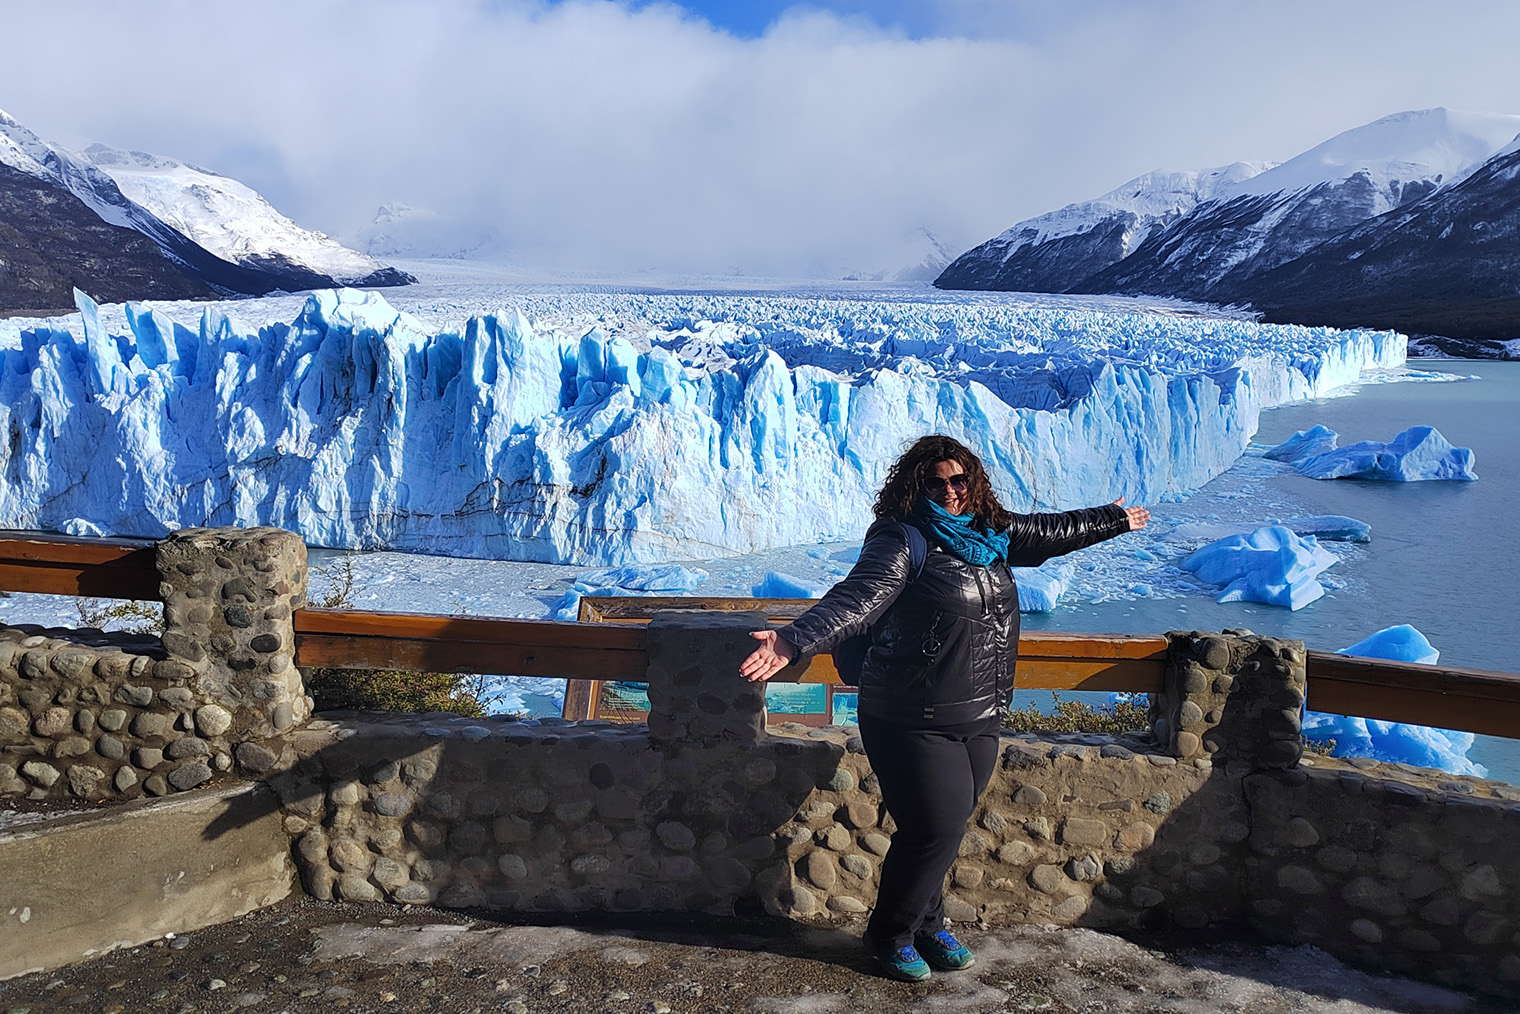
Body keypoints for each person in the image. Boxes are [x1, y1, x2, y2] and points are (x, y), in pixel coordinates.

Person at [738, 434, 1148, 982]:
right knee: (936, 827)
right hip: (910, 714)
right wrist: (795, 639)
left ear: (973, 482)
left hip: (979, 715)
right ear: (917, 486)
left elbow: (1049, 532)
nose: (951, 491)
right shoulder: (902, 538)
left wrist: (1111, 519)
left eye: (960, 480)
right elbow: (857, 597)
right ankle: (889, 932)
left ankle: (927, 923)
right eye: (938, 482)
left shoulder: (988, 531)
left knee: (940, 829)